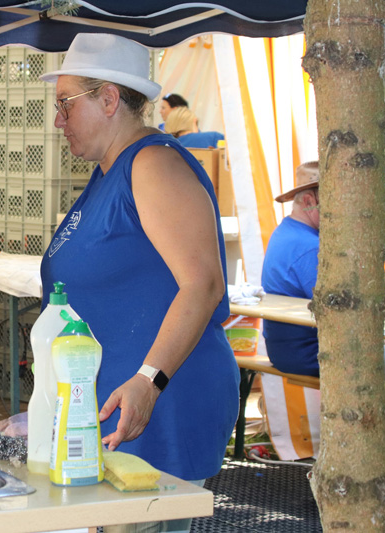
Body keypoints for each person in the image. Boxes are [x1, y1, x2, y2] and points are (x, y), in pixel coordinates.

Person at [39, 33, 240, 532]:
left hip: (155, 407)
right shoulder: (108, 172)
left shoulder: (152, 164)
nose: (58, 120)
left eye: (65, 104)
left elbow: (203, 284)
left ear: (109, 99)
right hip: (112, 410)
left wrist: (150, 380)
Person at [262, 161, 385, 431]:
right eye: (334, 200)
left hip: (294, 348)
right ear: (309, 200)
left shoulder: (287, 232)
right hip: (316, 352)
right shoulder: (311, 246)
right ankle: (366, 446)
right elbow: (348, 316)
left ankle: (369, 444)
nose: (341, 210)